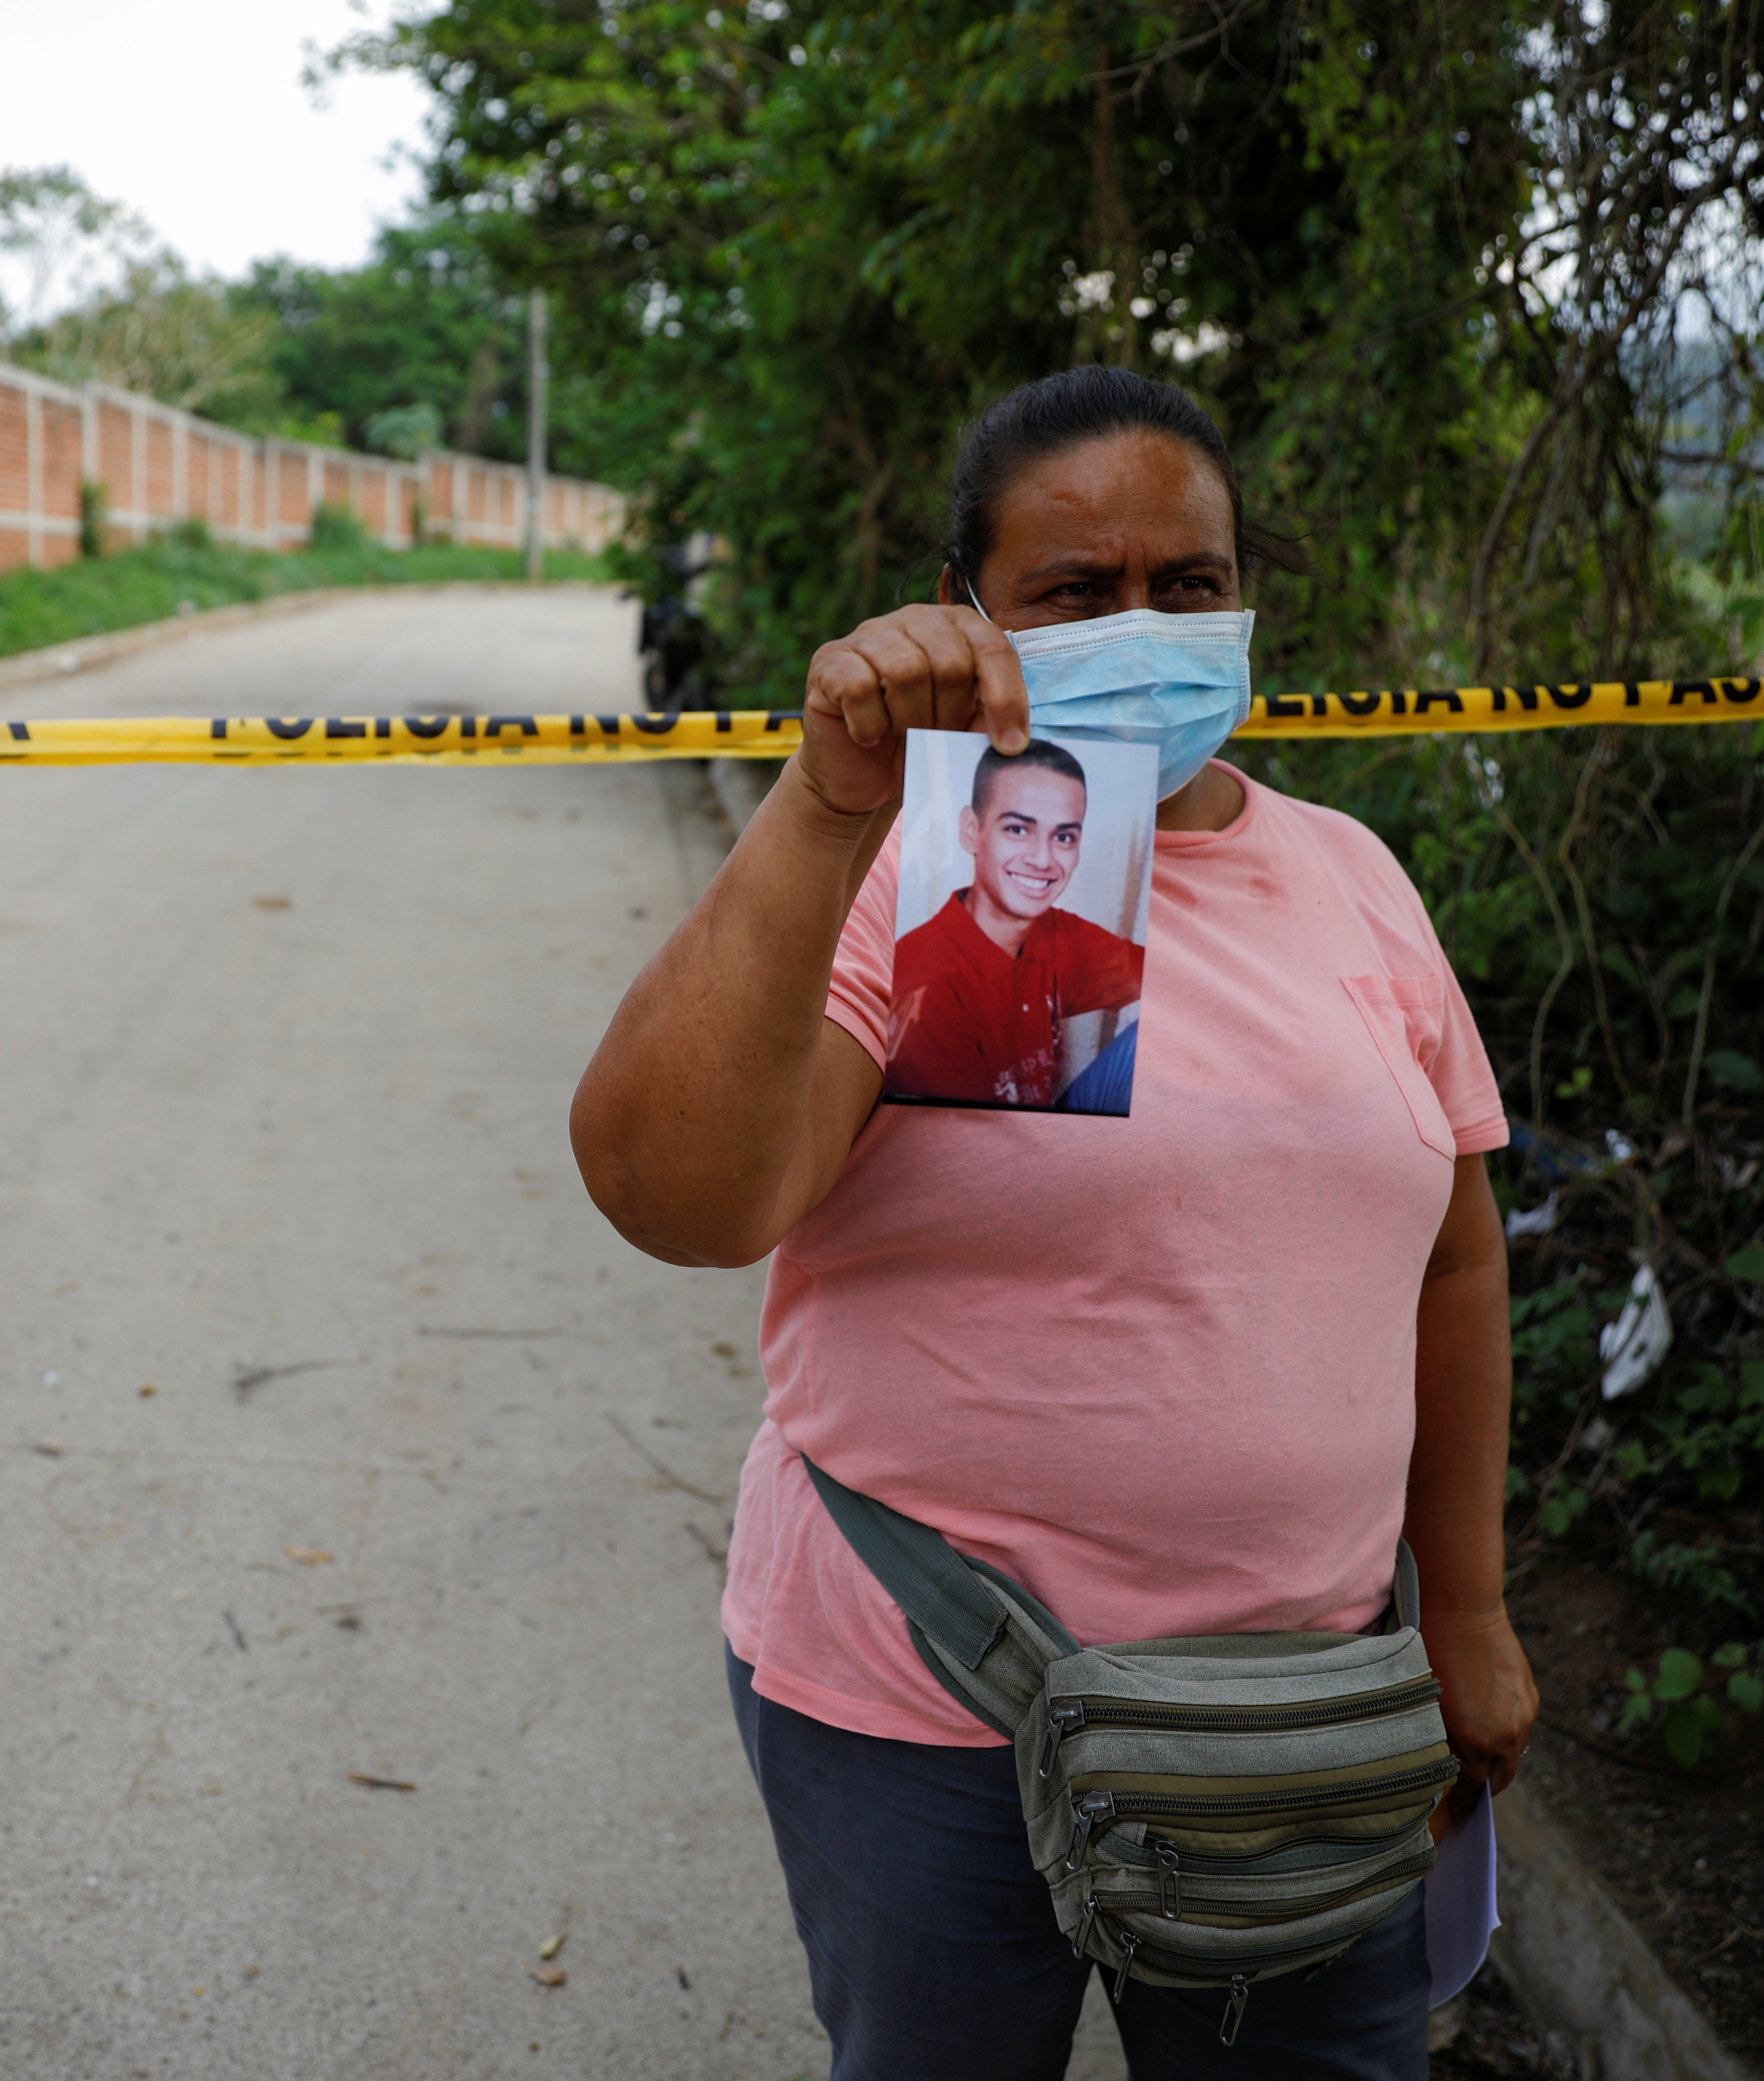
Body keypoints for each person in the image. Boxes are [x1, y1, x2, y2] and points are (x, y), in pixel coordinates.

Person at [570, 365, 1538, 2081]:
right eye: (1076, 594)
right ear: (967, 616)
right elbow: (682, 1198)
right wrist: (825, 806)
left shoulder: (1356, 878)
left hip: (1304, 1716)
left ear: (1248, 599)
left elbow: (1452, 1254)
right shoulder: (918, 878)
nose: (1148, 626)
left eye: (1190, 584)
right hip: (922, 1701)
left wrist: (1464, 1608)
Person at [888, 739, 1144, 1107]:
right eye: (1018, 830)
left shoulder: (1051, 932)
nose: (1043, 860)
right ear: (971, 831)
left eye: (1063, 837)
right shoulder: (925, 991)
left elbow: (1157, 976)